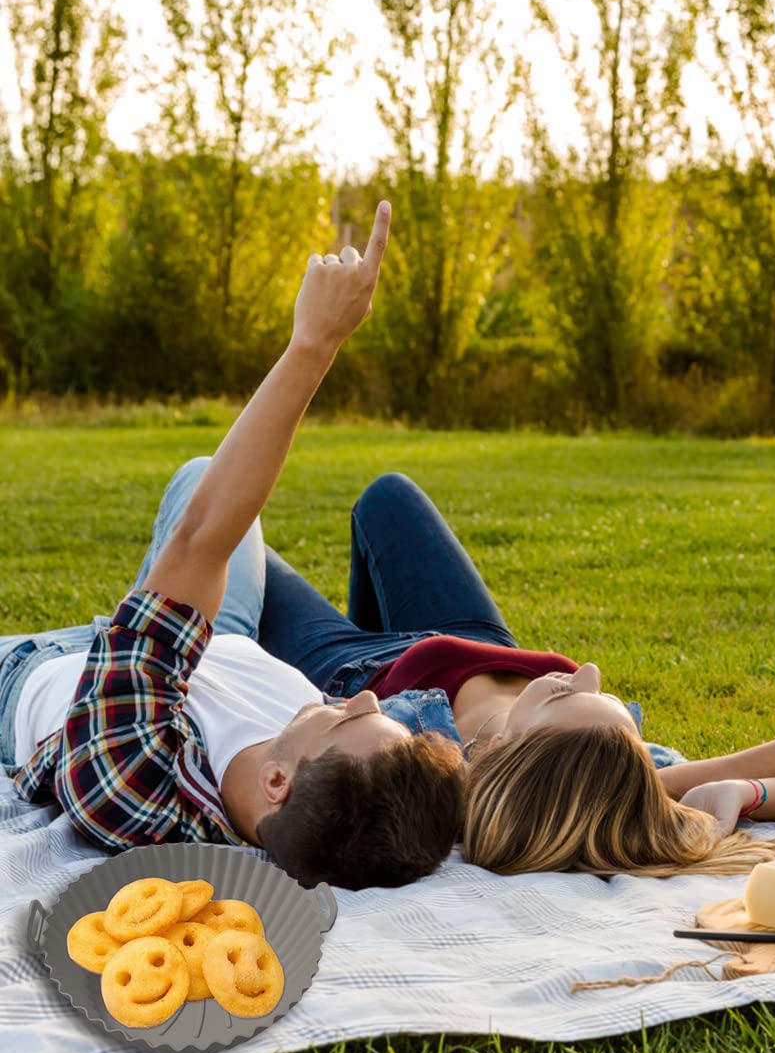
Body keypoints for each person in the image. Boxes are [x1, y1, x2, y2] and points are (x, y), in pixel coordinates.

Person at [0, 202, 466, 890]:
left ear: (276, 782)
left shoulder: (137, 782)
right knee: (199, 476)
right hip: (222, 638)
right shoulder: (342, 787)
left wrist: (316, 342)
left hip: (41, 672)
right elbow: (545, 783)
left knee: (204, 509)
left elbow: (201, 535)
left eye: (348, 721)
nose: (369, 703)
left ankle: (142, 635)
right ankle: (147, 630)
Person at [254, 473, 775, 876]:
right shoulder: (608, 763)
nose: (585, 670)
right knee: (387, 496)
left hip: (353, 672)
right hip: (474, 641)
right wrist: (749, 789)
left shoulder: (444, 782)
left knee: (240, 539)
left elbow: (664, 784)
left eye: (561, 696)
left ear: (503, 752)